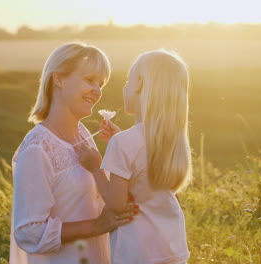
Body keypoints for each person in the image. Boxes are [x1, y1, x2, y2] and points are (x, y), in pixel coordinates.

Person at [10, 42, 137, 264]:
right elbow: (28, 232)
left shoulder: (82, 133)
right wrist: (98, 225)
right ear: (58, 79)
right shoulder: (37, 148)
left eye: (101, 84)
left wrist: (122, 145)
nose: (97, 91)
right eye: (90, 80)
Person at [79, 50, 192, 264]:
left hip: (138, 252)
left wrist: (95, 167)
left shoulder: (123, 143)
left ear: (140, 83)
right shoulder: (171, 138)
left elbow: (116, 204)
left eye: (127, 80)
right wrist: (118, 138)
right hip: (172, 246)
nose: (125, 87)